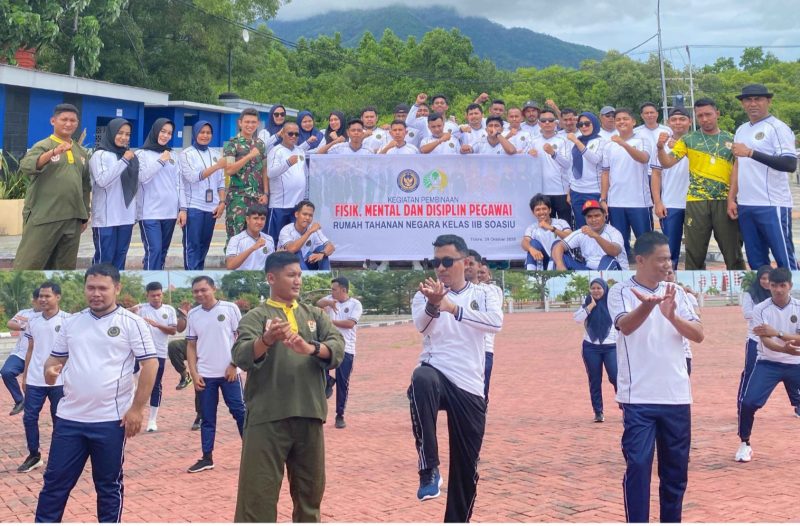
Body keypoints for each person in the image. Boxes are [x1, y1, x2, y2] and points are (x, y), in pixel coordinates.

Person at [34, 264, 157, 523]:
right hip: (69, 420)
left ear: (117, 288)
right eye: (91, 287)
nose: (96, 293)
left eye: (103, 288)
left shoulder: (132, 323)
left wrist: (136, 408)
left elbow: (150, 365)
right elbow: (54, 359)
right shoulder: (72, 322)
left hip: (110, 421)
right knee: (54, 485)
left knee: (108, 486)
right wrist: (50, 371)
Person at [232, 251, 344, 522]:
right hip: (267, 417)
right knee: (257, 498)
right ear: (271, 277)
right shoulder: (256, 317)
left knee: (310, 496)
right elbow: (241, 355)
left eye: (300, 275)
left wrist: (311, 348)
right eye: (291, 275)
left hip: (309, 414)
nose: (297, 281)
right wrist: (266, 340)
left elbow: (337, 346)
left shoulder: (315, 315)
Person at [607, 231, 703, 523]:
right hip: (639, 399)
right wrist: (647, 305)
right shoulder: (620, 291)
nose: (667, 264)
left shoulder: (677, 293)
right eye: (661, 259)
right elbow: (625, 326)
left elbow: (698, 334)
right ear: (640, 260)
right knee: (638, 466)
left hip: (676, 396)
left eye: (669, 258)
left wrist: (672, 315)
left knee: (675, 473)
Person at [408, 234, 503, 522]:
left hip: (470, 385)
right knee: (420, 379)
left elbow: (495, 323)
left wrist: (453, 307)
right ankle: (429, 469)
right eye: (435, 262)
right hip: (437, 372)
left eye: (447, 261)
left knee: (466, 467)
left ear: (465, 262)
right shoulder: (424, 293)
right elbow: (422, 327)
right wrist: (434, 304)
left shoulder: (485, 293)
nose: (440, 268)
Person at [657, 99, 745, 270]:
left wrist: (732, 199)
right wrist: (660, 148)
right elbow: (667, 163)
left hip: (723, 201)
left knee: (733, 253)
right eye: (700, 116)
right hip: (696, 201)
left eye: (708, 114)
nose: (704, 119)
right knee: (694, 254)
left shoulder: (731, 139)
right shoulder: (688, 140)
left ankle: (743, 291)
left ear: (717, 114)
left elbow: (736, 173)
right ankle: (692, 294)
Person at [729, 83, 798, 270]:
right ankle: (764, 298)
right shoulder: (741, 129)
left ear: (768, 101)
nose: (753, 104)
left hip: (772, 204)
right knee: (757, 262)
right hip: (746, 204)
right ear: (743, 103)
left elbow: (790, 164)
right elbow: (738, 164)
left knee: (784, 259)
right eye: (748, 100)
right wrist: (731, 198)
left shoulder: (777, 127)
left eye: (758, 99)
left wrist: (751, 152)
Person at [14, 103, 91, 270]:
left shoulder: (81, 151)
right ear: (53, 121)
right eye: (64, 119)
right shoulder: (44, 145)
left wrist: (85, 214)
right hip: (44, 216)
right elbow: (26, 166)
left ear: (77, 123)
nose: (68, 124)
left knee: (64, 268)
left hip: (72, 219)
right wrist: (54, 153)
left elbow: (85, 185)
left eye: (73, 120)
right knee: (29, 264)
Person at [737, 267, 800, 462]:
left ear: (790, 285)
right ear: (769, 286)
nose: (778, 290)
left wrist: (778, 333)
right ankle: (744, 443)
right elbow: (765, 340)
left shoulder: (798, 307)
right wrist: (783, 348)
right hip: (768, 363)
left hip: (796, 362)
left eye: (782, 285)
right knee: (748, 403)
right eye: (774, 285)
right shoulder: (760, 309)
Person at [185, 275, 246, 473]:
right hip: (205, 375)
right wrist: (194, 373)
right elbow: (191, 345)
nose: (200, 294)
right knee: (207, 418)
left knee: (240, 412)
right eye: (196, 291)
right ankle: (207, 457)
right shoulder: (193, 315)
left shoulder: (230, 309)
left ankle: (252, 451)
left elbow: (242, 337)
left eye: (204, 290)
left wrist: (233, 364)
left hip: (229, 373)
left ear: (214, 289)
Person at [17, 282, 69, 473]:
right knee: (29, 417)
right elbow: (30, 348)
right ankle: (34, 455)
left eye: (47, 296)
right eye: (40, 296)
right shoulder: (33, 320)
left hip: (60, 380)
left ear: (58, 297)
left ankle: (60, 456)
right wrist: (25, 375)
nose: (43, 299)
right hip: (35, 379)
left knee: (59, 418)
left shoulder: (68, 320)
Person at [600, 108, 658, 258]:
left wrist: (624, 144)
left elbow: (643, 158)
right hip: (616, 202)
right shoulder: (608, 145)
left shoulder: (642, 141)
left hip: (639, 202)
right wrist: (603, 198)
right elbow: (605, 173)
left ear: (633, 121)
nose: (621, 122)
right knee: (620, 243)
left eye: (625, 119)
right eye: (618, 119)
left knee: (645, 243)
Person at [89, 118, 138, 270]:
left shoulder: (130, 156)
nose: (124, 137)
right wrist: (124, 160)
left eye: (127, 134)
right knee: (104, 261)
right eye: (120, 133)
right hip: (106, 218)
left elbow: (136, 184)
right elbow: (103, 181)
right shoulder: (100, 155)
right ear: (111, 133)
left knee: (120, 259)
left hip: (125, 217)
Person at [178, 120, 227, 270]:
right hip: (194, 206)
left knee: (204, 245)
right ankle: (191, 273)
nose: (205, 135)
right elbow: (193, 177)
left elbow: (221, 181)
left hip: (211, 207)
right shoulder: (186, 154)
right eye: (202, 132)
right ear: (195, 133)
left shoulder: (215, 154)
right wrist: (217, 166)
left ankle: (199, 272)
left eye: (208, 133)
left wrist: (222, 202)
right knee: (192, 245)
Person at [316, 277, 363, 429]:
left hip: (346, 349)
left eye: (334, 289)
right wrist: (328, 303)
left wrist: (331, 322)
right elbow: (317, 304)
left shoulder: (355, 304)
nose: (332, 292)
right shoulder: (330, 299)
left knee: (343, 383)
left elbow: (350, 324)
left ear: (343, 290)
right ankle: (328, 382)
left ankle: (340, 415)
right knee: (317, 371)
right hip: (329, 346)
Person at [136, 118, 182, 270]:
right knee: (153, 250)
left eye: (169, 133)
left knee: (162, 252)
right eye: (163, 131)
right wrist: (160, 161)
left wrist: (182, 209)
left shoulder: (173, 155)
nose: (165, 135)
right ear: (155, 131)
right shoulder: (141, 154)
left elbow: (178, 183)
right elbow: (142, 178)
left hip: (169, 212)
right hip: (150, 212)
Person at [134, 282, 178, 432]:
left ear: (162, 294)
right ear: (147, 295)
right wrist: (131, 310)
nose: (156, 298)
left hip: (158, 352)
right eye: (153, 295)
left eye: (159, 294)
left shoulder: (169, 310)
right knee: (130, 379)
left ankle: (152, 420)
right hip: (139, 352)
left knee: (155, 385)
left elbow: (173, 331)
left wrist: (157, 325)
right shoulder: (141, 309)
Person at [573, 278, 617, 423]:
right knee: (594, 380)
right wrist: (590, 306)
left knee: (615, 376)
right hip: (591, 347)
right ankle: (598, 412)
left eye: (599, 288)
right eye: (593, 288)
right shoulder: (587, 302)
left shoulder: (612, 304)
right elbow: (578, 319)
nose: (596, 291)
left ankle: (624, 406)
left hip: (611, 346)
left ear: (605, 289)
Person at [652, 107, 691, 270]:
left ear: (689, 121)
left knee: (696, 249)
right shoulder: (662, 145)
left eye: (682, 119)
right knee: (670, 251)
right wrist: (658, 202)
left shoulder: (698, 142)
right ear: (669, 122)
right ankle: (668, 282)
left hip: (695, 203)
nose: (678, 123)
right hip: (671, 204)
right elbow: (656, 174)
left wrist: (683, 148)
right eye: (674, 119)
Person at [223, 108, 268, 244]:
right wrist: (249, 156)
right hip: (238, 199)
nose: (250, 125)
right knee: (235, 236)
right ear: (240, 123)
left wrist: (266, 193)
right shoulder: (232, 144)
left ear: (258, 124)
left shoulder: (260, 144)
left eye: (253, 122)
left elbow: (265, 169)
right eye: (247, 122)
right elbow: (229, 170)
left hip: (256, 198)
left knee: (254, 237)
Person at [552, 200, 628, 271]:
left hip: (616, 272)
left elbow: (615, 251)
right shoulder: (583, 232)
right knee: (557, 248)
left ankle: (600, 283)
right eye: (589, 216)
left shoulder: (613, 232)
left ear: (604, 215)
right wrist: (560, 264)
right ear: (585, 218)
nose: (593, 219)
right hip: (589, 270)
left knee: (607, 259)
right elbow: (559, 246)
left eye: (597, 215)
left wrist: (596, 236)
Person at [529, 110, 573, 226]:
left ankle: (567, 245)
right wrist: (528, 155)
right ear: (539, 123)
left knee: (565, 224)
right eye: (543, 120)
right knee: (546, 225)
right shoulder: (533, 141)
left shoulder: (563, 140)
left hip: (561, 191)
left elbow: (567, 164)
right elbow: (525, 165)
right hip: (542, 191)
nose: (547, 123)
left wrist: (553, 153)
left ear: (556, 123)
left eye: (550, 120)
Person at [266, 121, 307, 245]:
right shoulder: (275, 151)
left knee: (294, 240)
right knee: (274, 239)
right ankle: (271, 263)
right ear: (283, 133)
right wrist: (287, 163)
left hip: (297, 205)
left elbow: (305, 174)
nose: (293, 136)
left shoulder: (300, 151)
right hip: (280, 205)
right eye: (290, 133)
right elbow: (270, 173)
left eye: (296, 134)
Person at [2, 289, 39, 416]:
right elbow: (10, 323)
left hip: (41, 357)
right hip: (20, 354)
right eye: (38, 299)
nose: (42, 301)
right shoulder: (25, 313)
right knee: (6, 372)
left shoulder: (52, 316)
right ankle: (19, 400)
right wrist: (25, 326)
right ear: (33, 300)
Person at [565, 112, 604, 227]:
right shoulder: (578, 140)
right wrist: (569, 191)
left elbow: (595, 159)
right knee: (580, 225)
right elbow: (572, 167)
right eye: (580, 124)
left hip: (593, 190)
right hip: (576, 190)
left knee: (596, 226)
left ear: (595, 124)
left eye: (587, 123)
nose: (583, 127)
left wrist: (577, 142)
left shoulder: (600, 141)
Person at [278, 200, 335, 271]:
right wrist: (309, 232)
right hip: (285, 267)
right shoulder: (286, 230)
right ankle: (305, 279)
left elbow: (331, 247)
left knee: (323, 250)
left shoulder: (314, 229)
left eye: (310, 215)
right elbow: (292, 249)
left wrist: (322, 254)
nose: (307, 218)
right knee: (296, 252)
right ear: (296, 214)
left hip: (305, 262)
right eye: (304, 214)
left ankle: (325, 279)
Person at [521, 194, 572, 270]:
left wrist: (552, 228)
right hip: (542, 261)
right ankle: (531, 277)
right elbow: (524, 242)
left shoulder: (561, 223)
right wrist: (531, 249)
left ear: (550, 210)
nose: (541, 212)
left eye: (544, 209)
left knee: (557, 243)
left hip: (560, 260)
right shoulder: (532, 228)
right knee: (533, 243)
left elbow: (571, 238)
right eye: (538, 209)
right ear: (533, 212)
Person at [226, 205, 276, 270]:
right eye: (255, 218)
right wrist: (252, 248)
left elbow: (271, 266)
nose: (259, 222)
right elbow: (230, 266)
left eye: (262, 219)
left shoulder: (269, 239)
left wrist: (277, 257)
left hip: (262, 278)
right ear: (247, 219)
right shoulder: (236, 240)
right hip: (242, 278)